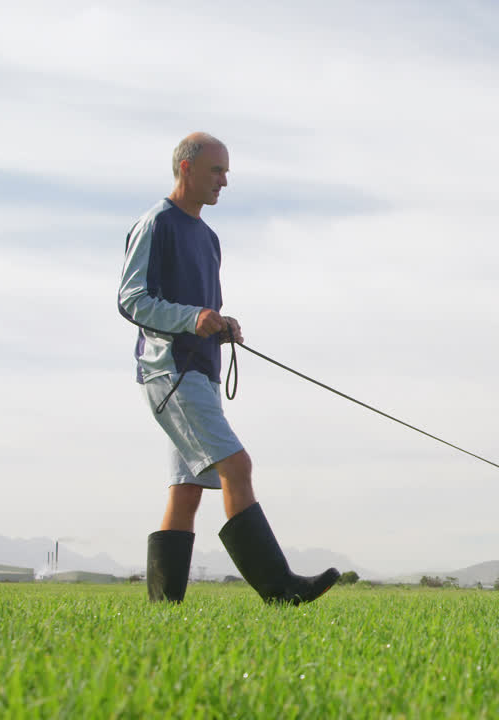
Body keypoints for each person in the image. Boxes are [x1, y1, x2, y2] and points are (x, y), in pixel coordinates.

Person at [118, 132, 339, 604]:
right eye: (217, 171)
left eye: (226, 173)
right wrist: (191, 318)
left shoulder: (209, 238)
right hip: (168, 372)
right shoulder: (156, 223)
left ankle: (163, 609)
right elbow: (130, 299)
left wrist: (219, 323)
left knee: (186, 490)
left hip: (201, 371)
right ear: (186, 169)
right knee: (236, 466)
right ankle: (281, 590)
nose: (224, 182)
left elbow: (198, 309)